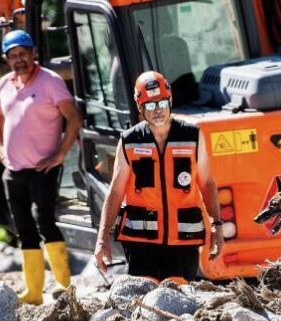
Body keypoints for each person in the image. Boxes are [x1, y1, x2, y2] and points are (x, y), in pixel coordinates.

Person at [94, 71, 224, 282]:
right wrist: (102, 239)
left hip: (183, 240)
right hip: (141, 243)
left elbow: (207, 183)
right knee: (145, 300)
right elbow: (116, 192)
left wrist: (217, 227)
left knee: (179, 299)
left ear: (170, 100)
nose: (158, 111)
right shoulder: (129, 141)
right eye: (150, 106)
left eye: (162, 103)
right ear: (140, 107)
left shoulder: (192, 136)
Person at [0, 30, 82, 305]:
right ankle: (33, 292)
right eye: (13, 55)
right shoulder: (5, 84)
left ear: (33, 54)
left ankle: (64, 287)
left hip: (43, 168)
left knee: (44, 221)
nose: (19, 59)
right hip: (14, 170)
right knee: (23, 227)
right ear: (7, 59)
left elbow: (74, 119)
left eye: (22, 53)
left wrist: (61, 154)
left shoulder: (50, 82)